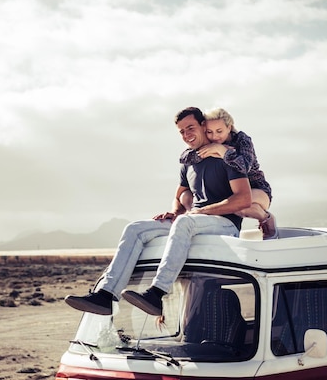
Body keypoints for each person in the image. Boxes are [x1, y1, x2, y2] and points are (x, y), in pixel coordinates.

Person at [64, 107, 252, 316]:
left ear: (203, 125)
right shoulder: (188, 162)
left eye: (190, 127)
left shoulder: (228, 156)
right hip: (194, 221)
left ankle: (157, 293)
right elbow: (178, 195)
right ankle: (106, 296)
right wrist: (174, 211)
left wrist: (203, 212)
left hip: (224, 224)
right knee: (135, 229)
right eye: (181, 131)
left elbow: (244, 199)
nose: (186, 134)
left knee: (184, 222)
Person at [178, 107, 277, 239]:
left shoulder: (242, 140)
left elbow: (244, 166)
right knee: (223, 203)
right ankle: (195, 215)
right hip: (232, 190)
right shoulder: (210, 145)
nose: (215, 137)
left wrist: (223, 151)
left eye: (219, 131)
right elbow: (184, 158)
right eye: (209, 132)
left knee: (239, 207)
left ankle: (266, 218)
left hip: (256, 188)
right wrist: (213, 151)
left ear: (229, 127)